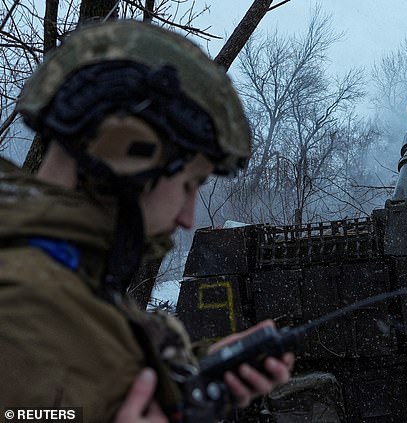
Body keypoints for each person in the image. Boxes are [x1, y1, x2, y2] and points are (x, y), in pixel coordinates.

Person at [0, 19, 294, 422]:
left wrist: (195, 373)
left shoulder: (64, 274)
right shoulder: (28, 310)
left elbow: (79, 387)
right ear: (126, 148)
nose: (188, 216)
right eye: (189, 184)